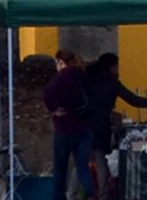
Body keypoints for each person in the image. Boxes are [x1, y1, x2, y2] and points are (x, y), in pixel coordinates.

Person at [86, 53, 147, 200]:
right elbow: (133, 99)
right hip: (101, 125)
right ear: (112, 67)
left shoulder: (87, 79)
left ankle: (72, 193)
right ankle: (102, 195)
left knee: (81, 160)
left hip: (84, 123)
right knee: (100, 161)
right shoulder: (112, 83)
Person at [43, 50, 97, 200]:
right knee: (82, 166)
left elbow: (47, 94)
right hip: (85, 127)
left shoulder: (61, 77)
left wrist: (54, 109)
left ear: (60, 62)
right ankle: (89, 192)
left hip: (65, 127)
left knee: (60, 167)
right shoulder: (82, 74)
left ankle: (59, 197)